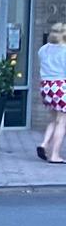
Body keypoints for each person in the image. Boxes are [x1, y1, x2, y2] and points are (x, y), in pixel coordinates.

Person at [38, 23, 66, 164]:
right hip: (61, 86)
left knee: (53, 118)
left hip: (46, 87)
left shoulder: (43, 49)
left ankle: (44, 144)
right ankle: (55, 155)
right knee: (61, 121)